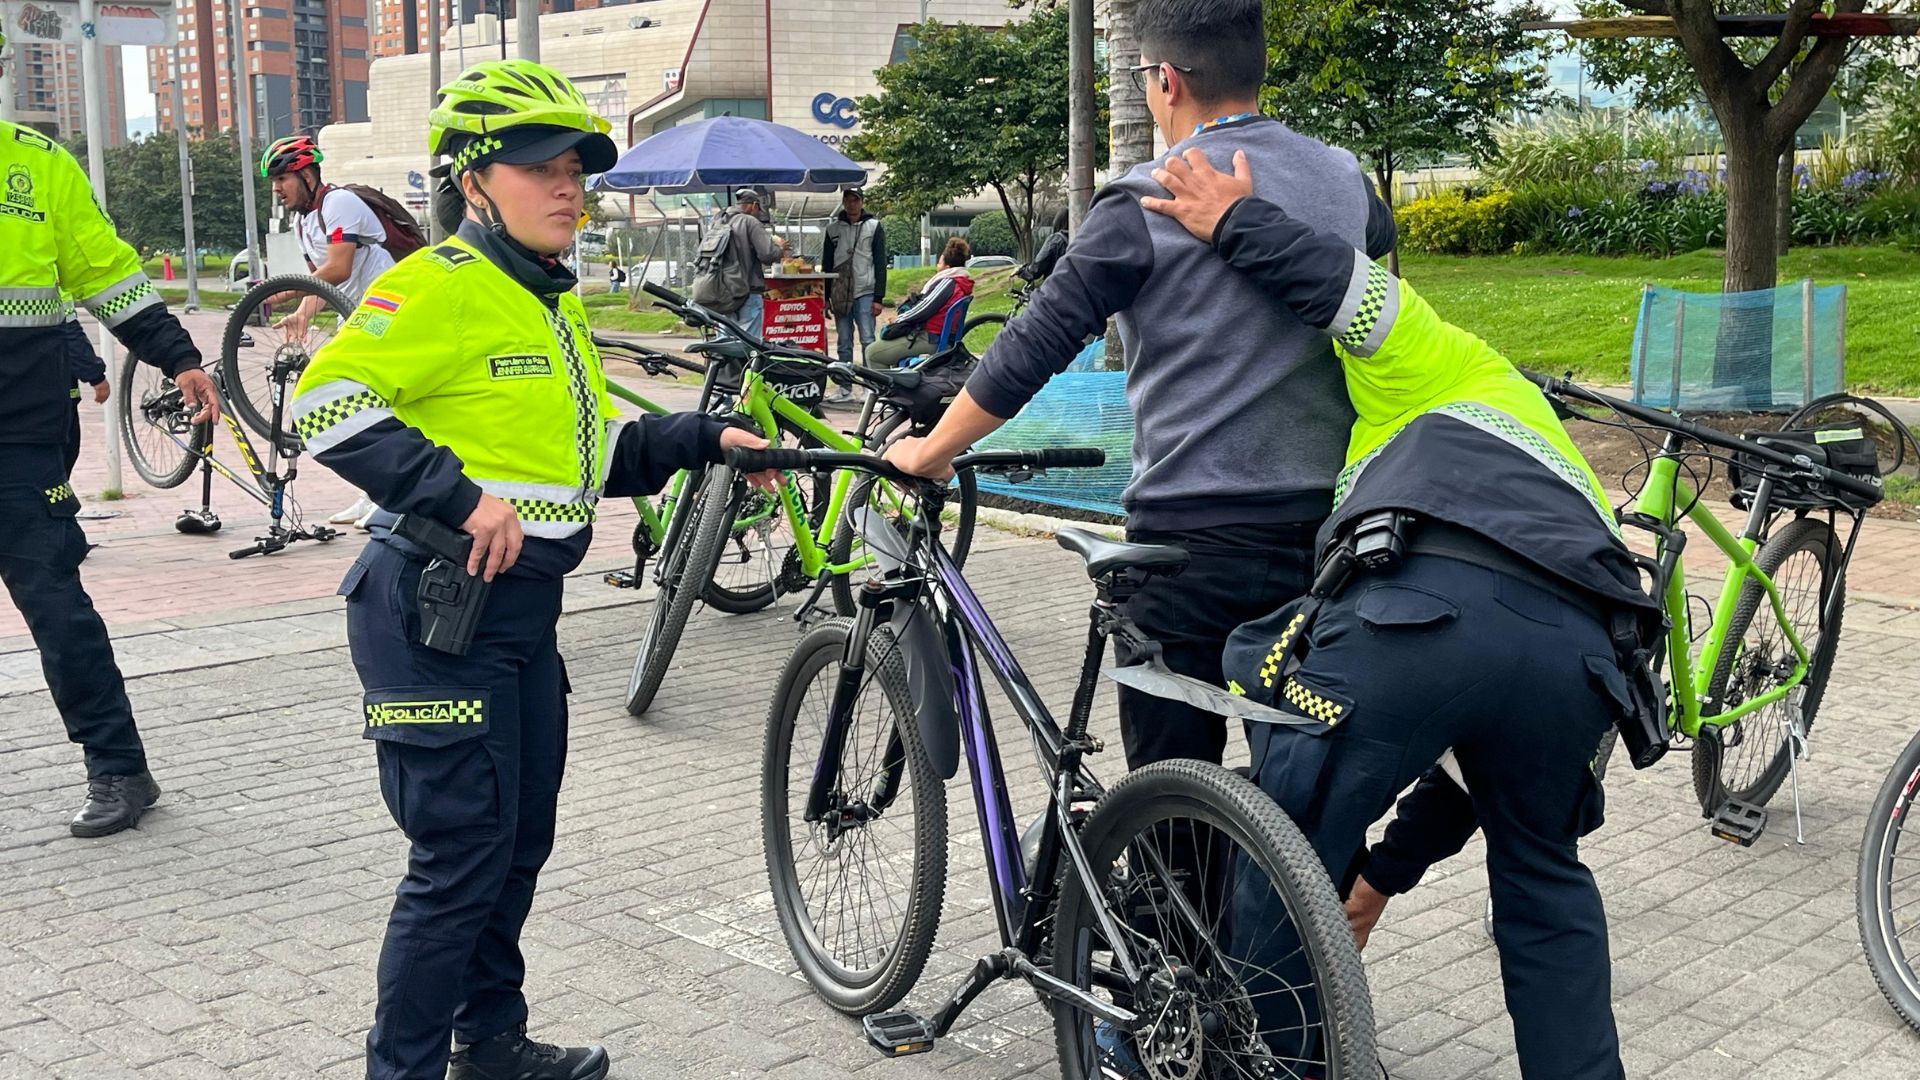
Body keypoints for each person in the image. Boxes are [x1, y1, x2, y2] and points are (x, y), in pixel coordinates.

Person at [291, 58, 772, 1080]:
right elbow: (323, 403)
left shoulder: (547, 301)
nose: (568, 189)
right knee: (457, 860)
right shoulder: (440, 284)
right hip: (432, 611)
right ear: (473, 181)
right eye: (539, 169)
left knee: (514, 844)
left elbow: (579, 464)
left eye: (577, 171)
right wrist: (458, 496)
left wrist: (702, 438)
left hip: (518, 616)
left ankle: (491, 1045)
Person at [1146, 148, 1655, 1080]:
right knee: (1545, 888)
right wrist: (1383, 877)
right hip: (1582, 657)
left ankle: (1269, 1065)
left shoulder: (1430, 354)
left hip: (1413, 619)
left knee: (1284, 854)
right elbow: (1474, 738)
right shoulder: (1529, 418)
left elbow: (1346, 288)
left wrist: (1234, 219)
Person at [886, 0, 1396, 781]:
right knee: (1298, 794)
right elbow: (1376, 270)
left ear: (1165, 81)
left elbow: (1034, 343)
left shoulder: (1146, 197)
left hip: (1186, 542)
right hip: (1325, 538)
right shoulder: (1344, 180)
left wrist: (932, 451)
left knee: (1171, 801)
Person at [0, 31, 220, 838]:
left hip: (17, 431)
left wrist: (179, 356)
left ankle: (120, 769)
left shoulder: (36, 166)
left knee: (57, 608)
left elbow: (108, 277)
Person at [262, 133, 401, 527]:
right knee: (356, 404)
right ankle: (371, 493)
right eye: (274, 182)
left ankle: (390, 498)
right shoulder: (302, 222)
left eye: (282, 178)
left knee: (377, 401)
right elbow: (320, 282)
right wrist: (297, 310)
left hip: (388, 307)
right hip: (354, 313)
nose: (276, 189)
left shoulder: (339, 203)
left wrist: (288, 295)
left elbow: (338, 268)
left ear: (307, 175)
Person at [820, 187, 887, 399]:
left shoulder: (874, 226)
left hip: (865, 290)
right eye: (848, 200)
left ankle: (870, 387)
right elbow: (827, 264)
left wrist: (878, 297)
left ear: (862, 202)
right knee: (844, 341)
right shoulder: (832, 229)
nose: (852, 204)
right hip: (840, 292)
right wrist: (825, 298)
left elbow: (880, 263)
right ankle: (845, 388)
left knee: (868, 340)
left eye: (856, 200)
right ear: (843, 202)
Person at [866, 237, 973, 368]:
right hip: (942, 336)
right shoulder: (961, 282)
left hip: (931, 338)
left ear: (947, 267)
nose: (937, 266)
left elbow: (924, 309)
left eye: (939, 263)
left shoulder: (948, 282)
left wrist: (899, 319)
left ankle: (887, 382)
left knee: (873, 353)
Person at [725, 187, 787, 336]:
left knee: (726, 341)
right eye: (758, 209)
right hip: (747, 291)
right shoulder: (750, 221)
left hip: (723, 292)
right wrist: (780, 249)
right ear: (753, 205)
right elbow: (768, 254)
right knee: (749, 342)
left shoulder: (720, 220)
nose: (758, 213)